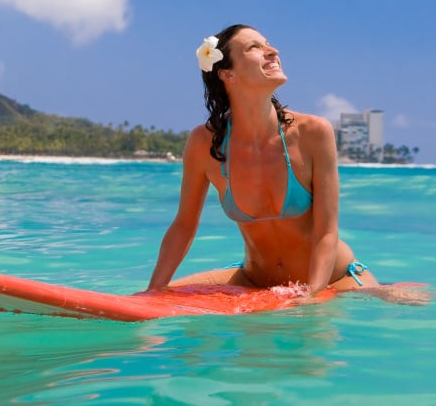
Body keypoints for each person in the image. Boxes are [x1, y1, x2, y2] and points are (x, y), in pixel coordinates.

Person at [147, 24, 381, 295]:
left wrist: (311, 295)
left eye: (268, 43)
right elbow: (184, 226)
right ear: (227, 73)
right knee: (165, 295)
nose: (273, 51)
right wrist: (151, 293)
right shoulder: (204, 143)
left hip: (334, 280)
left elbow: (326, 232)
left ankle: (389, 292)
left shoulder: (313, 133)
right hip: (254, 281)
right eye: (254, 47)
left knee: (410, 305)